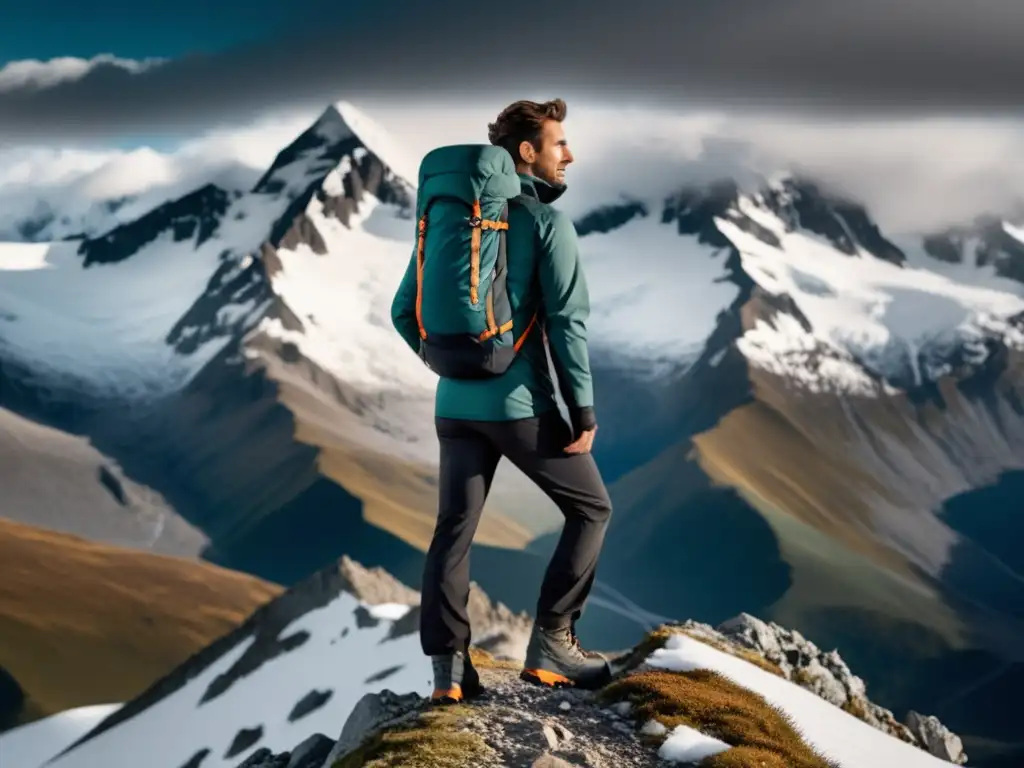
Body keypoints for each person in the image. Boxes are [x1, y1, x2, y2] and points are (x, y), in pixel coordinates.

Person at [390, 98, 613, 703]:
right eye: (558, 143)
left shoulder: (448, 221)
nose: (569, 154)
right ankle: (554, 646)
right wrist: (582, 411)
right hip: (520, 407)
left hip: (452, 407)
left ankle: (448, 671)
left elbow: (401, 310)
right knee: (591, 509)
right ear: (527, 154)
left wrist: (449, 365)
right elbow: (568, 323)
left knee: (453, 529)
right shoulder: (546, 225)